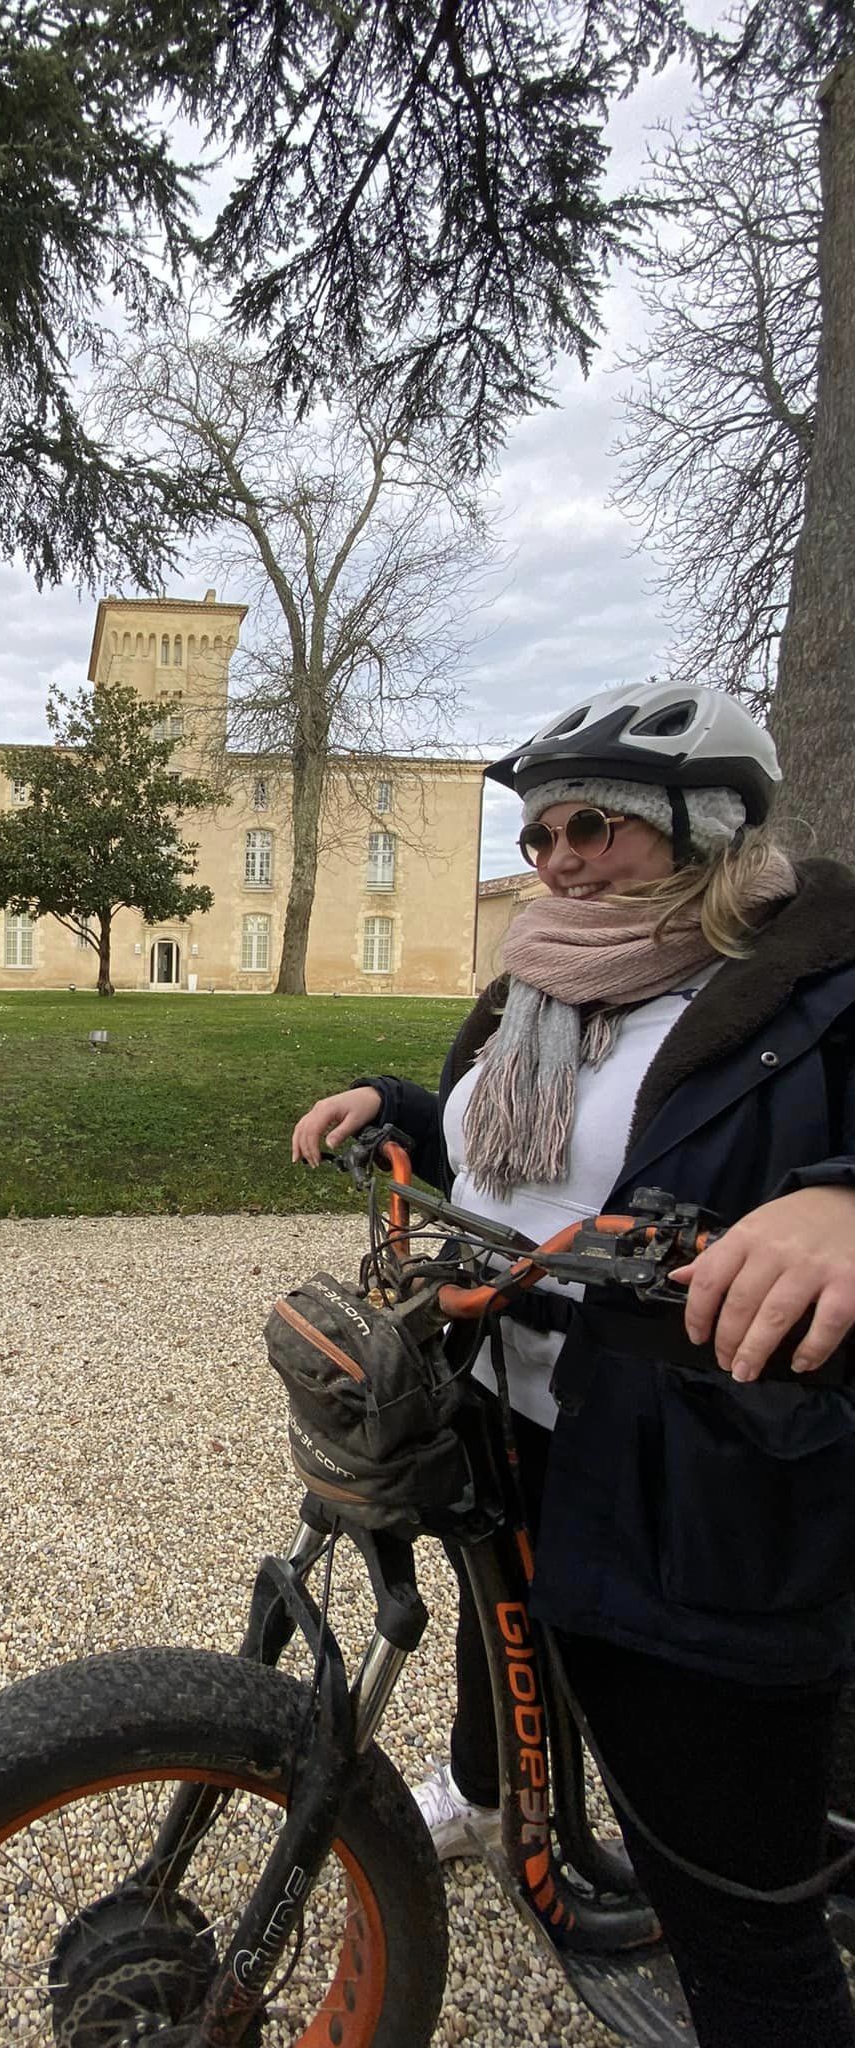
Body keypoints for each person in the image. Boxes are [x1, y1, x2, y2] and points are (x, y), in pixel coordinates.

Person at [292, 681, 855, 2048]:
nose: (556, 861)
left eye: (591, 825)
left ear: (707, 825)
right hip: (512, 1402)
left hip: (696, 1468)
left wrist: (841, 1198)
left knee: (726, 1884)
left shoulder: (815, 987)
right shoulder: (545, 975)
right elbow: (526, 1159)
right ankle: (499, 1795)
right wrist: (407, 1108)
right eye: (542, 835)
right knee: (511, 1630)